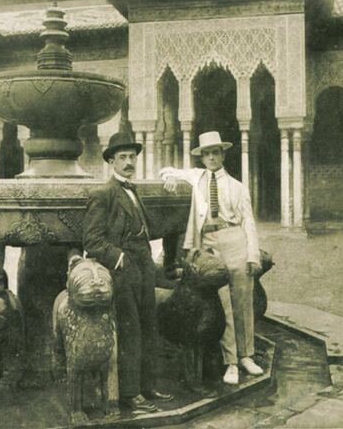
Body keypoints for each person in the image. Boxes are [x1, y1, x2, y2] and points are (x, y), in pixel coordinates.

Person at [160, 131, 263, 385]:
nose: (211, 157)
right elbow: (166, 169)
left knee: (243, 298)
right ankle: (230, 362)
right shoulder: (196, 178)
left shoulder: (238, 187)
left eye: (215, 152)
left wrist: (252, 254)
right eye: (206, 153)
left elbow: (248, 221)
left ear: (222, 154)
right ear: (202, 158)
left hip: (234, 239)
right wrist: (170, 177)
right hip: (209, 243)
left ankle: (246, 355)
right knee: (224, 302)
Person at [82, 132, 174, 414]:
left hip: (144, 266)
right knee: (130, 331)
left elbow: (148, 228)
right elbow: (92, 240)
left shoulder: (135, 192)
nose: (129, 161)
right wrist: (119, 258)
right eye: (122, 157)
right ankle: (130, 394)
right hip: (123, 272)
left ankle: (148, 386)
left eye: (132, 156)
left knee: (149, 326)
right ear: (111, 161)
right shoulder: (104, 194)